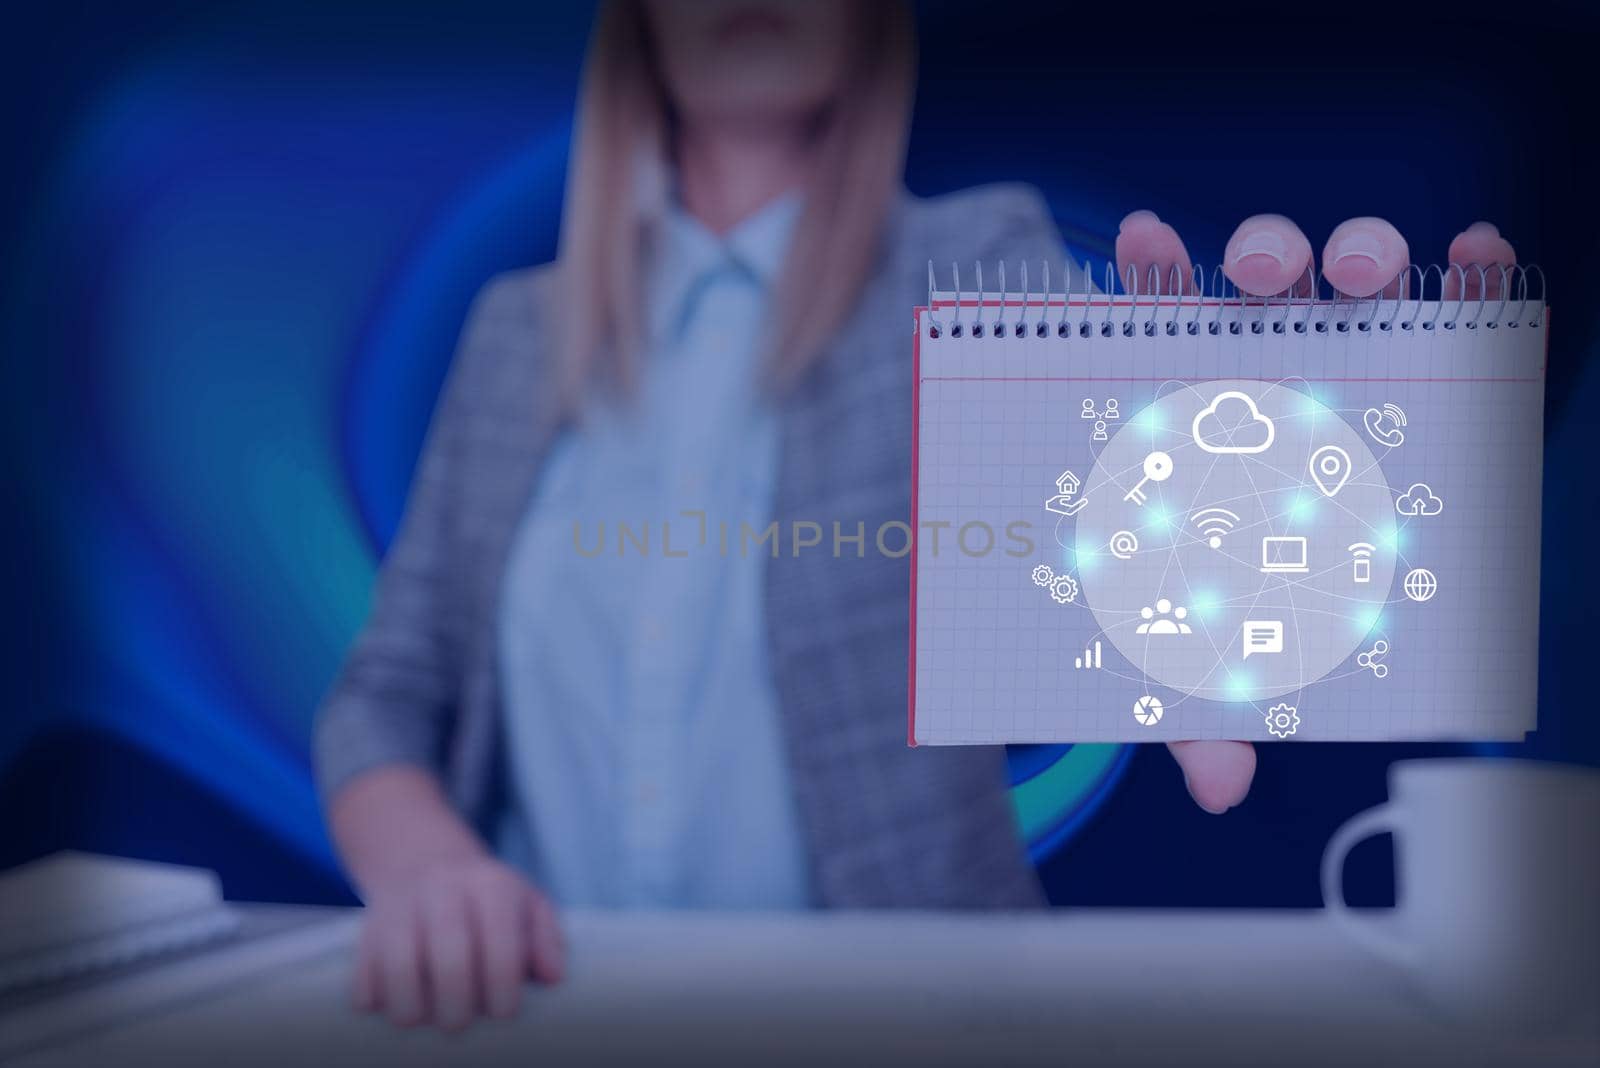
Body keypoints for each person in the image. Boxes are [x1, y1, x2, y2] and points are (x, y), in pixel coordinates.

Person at [315, 0, 1519, 1031]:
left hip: (901, 1027)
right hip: (540, 1019)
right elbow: (385, 695)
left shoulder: (975, 267)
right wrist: (424, 865)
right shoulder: (513, 333)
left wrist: (1278, 480)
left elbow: (1131, 526)